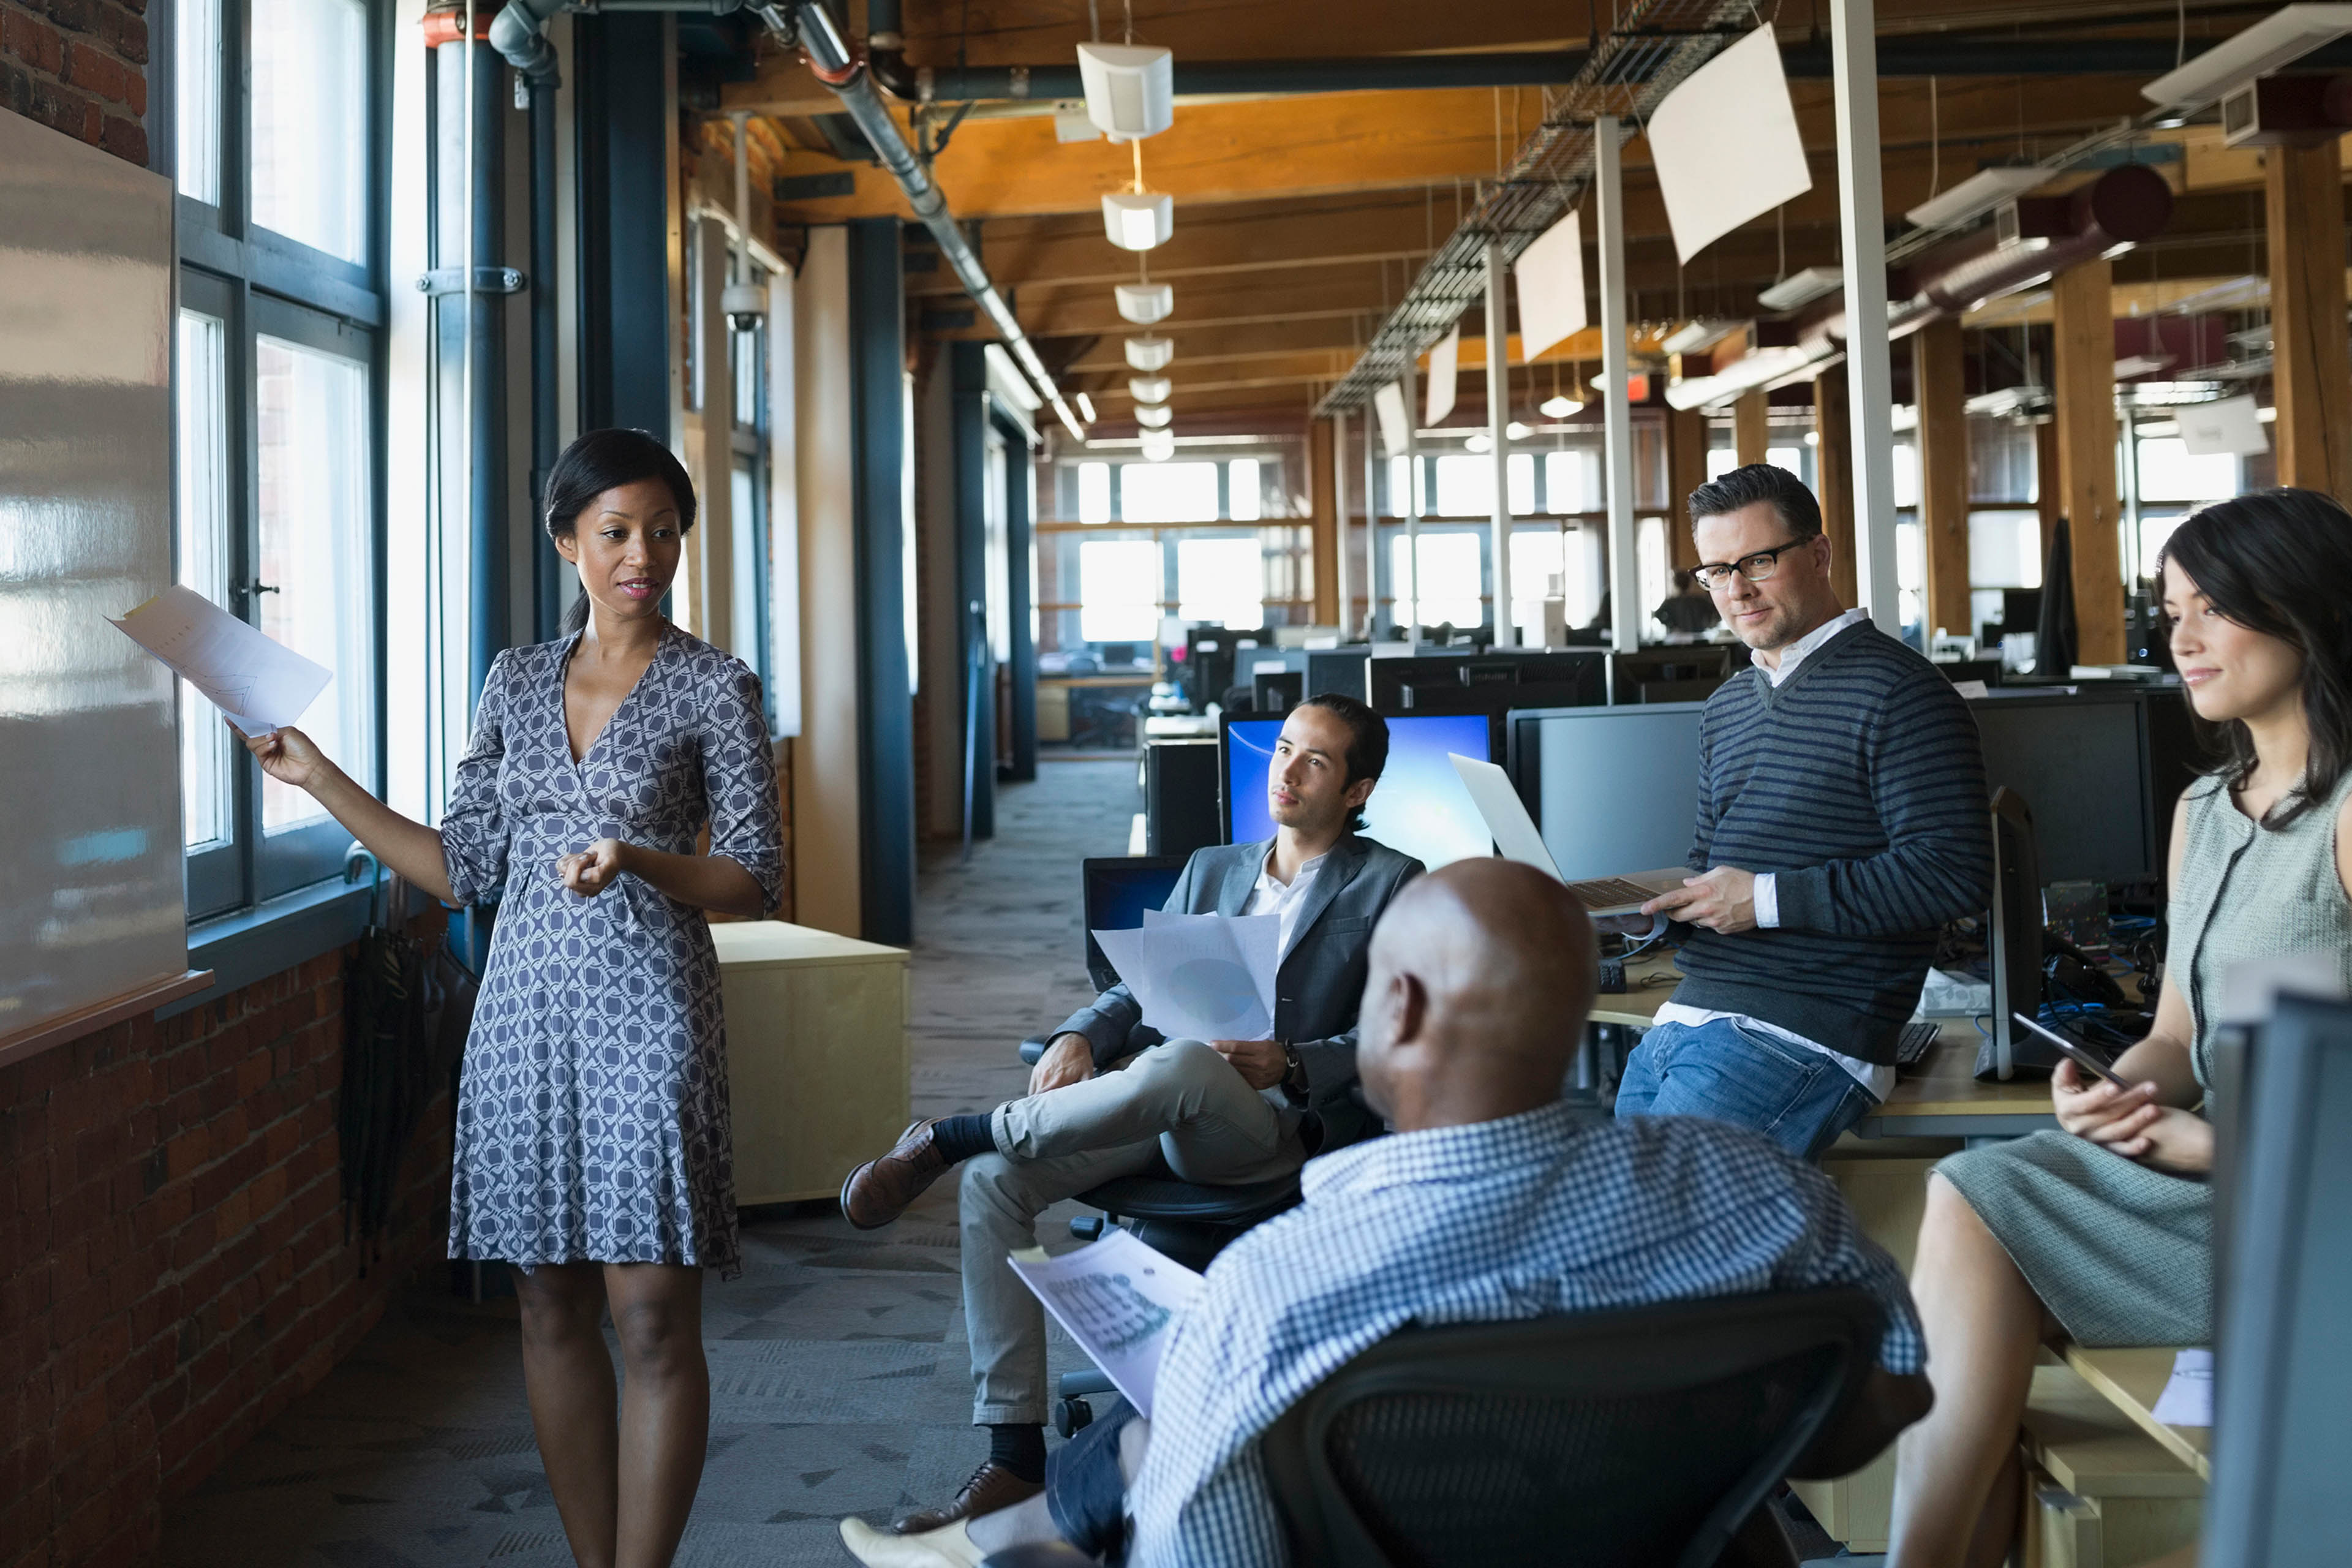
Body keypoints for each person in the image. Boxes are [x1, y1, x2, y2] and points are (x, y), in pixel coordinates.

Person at [836, 859, 1932, 1568]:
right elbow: (1877, 1405)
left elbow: (1209, 1561)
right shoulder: (1769, 1198)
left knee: (1184, 1419)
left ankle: (1006, 1542)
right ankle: (1007, 1531)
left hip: (1262, 1153)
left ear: (1395, 1005)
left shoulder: (1276, 1289)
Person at [238, 428, 783, 1568]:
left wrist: (634, 857)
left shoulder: (715, 685)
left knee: (651, 1317)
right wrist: (319, 774)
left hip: (653, 1018)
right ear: (567, 541)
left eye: (665, 531)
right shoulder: (515, 680)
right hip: (525, 1023)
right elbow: (459, 869)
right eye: (618, 531)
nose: (645, 554)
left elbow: (750, 873)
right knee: (546, 1303)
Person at [1887, 489, 2352, 1568]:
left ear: (2305, 609)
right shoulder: (2206, 810)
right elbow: (2181, 1036)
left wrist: (2218, 1148)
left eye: (2211, 609)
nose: (2178, 640)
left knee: (1978, 1207)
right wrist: (2121, 1087)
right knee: (1974, 1184)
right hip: (2209, 1178)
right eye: (2169, 610)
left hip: (2309, 1209)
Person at [835, 694, 1422, 1535]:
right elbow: (1136, 990)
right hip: (1161, 1106)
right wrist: (1080, 1031)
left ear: (1357, 790)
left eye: (1315, 761)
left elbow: (1397, 1032)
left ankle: (954, 1133)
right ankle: (1011, 1457)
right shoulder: (1215, 868)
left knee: (1179, 1060)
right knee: (997, 1185)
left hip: (1270, 1134)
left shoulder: (1394, 883)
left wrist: (1292, 1060)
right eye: (1282, 749)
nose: (1285, 772)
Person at [1614, 463, 1992, 1159]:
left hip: (1803, 1031)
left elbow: (1952, 873)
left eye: (1758, 560)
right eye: (1717, 570)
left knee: (1646, 1250)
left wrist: (1761, 899)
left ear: (1818, 554)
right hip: (1687, 1017)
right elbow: (1714, 867)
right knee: (1603, 1235)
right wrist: (1660, 910)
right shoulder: (1727, 705)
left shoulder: (1903, 692)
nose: (1737, 589)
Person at [1653, 567, 1723, 636]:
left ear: (1675, 584)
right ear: (1690, 583)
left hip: (1679, 638)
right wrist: (1709, 625)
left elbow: (1657, 614)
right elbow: (1718, 613)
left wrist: (1672, 626)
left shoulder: (1671, 602)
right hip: (1698, 637)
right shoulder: (1700, 600)